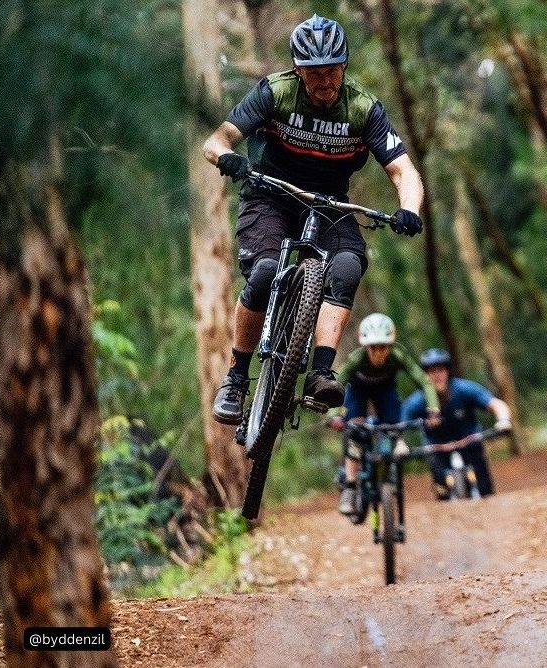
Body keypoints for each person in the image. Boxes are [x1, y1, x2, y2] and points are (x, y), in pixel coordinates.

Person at [202, 14, 425, 425]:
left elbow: (402, 170)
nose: (325, 82)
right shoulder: (274, 93)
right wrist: (228, 157)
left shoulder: (362, 108)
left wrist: (409, 208)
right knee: (266, 272)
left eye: (332, 71)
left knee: (346, 266)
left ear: (345, 66)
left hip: (329, 204)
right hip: (269, 196)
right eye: (314, 73)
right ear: (298, 71)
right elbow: (217, 139)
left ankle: (321, 372)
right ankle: (235, 378)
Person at [329, 313, 441, 516]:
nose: (379, 353)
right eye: (374, 348)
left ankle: (392, 459)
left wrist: (433, 410)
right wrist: (335, 414)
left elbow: (423, 381)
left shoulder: (399, 355)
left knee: (395, 424)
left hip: (385, 392)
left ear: (391, 346)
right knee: (355, 432)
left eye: (383, 347)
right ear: (365, 347)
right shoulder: (356, 359)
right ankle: (350, 488)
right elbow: (335, 384)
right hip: (358, 393)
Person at [401, 348, 512, 499]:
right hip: (437, 448)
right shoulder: (417, 401)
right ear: (425, 376)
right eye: (432, 371)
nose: (437, 376)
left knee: (485, 488)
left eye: (440, 370)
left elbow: (496, 404)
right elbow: (400, 425)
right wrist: (400, 443)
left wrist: (503, 420)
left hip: (470, 441)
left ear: (448, 371)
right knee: (442, 490)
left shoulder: (463, 389)